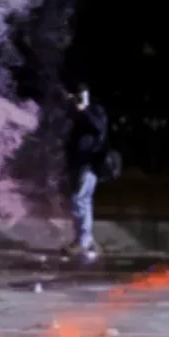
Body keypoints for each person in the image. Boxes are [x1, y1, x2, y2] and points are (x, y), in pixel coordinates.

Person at [63, 83, 108, 258]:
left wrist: (84, 109)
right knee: (83, 201)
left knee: (79, 200)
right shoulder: (77, 112)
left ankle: (83, 241)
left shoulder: (96, 110)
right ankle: (85, 239)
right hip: (78, 163)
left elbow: (98, 128)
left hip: (89, 163)